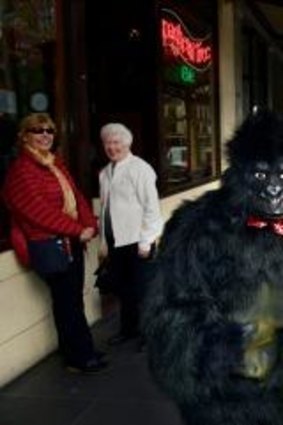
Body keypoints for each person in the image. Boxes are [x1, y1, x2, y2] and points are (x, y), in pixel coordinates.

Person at [2, 112, 108, 373]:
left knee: (72, 300)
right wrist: (76, 229)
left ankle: (78, 349)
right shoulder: (21, 171)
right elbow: (37, 212)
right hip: (51, 246)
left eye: (49, 130)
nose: (46, 135)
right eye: (38, 130)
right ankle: (78, 357)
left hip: (70, 243)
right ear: (25, 136)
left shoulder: (54, 164)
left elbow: (76, 197)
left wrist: (90, 224)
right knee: (66, 301)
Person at [99, 122, 163, 345]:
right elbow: (105, 209)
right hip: (117, 241)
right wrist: (104, 242)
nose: (112, 147)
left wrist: (146, 242)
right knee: (124, 291)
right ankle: (128, 331)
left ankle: (149, 335)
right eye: (108, 143)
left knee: (143, 292)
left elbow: (152, 208)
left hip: (138, 241)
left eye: (116, 142)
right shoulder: (105, 173)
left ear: (126, 144)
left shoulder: (140, 169)